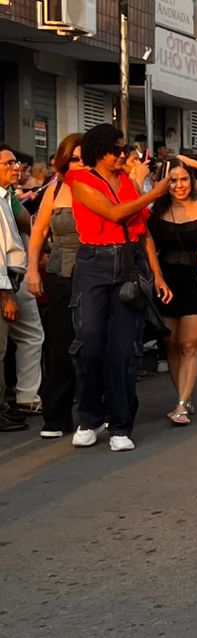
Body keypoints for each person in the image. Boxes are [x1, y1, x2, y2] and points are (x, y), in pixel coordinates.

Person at [63, 124, 170, 451]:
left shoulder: (127, 182)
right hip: (93, 264)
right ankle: (89, 417)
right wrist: (154, 192)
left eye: (125, 149)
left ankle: (122, 423)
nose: (124, 154)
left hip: (128, 262)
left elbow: (142, 232)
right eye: (117, 150)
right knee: (90, 344)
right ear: (100, 151)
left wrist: (158, 275)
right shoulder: (79, 180)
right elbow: (113, 213)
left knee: (124, 350)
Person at [146, 158, 197, 425]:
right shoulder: (156, 214)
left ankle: (181, 405)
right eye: (173, 180)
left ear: (192, 181)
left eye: (184, 179)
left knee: (190, 344)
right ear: (164, 184)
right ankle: (184, 395)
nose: (179, 185)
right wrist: (157, 278)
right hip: (167, 282)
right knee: (171, 344)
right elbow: (148, 246)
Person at [23, 134, 84, 437]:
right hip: (60, 272)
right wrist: (32, 269)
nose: (79, 164)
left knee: (96, 342)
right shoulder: (57, 187)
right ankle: (57, 415)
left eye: (84, 158)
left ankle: (97, 408)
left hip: (97, 271)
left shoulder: (106, 184)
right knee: (60, 343)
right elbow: (39, 231)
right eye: (73, 158)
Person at [0, 143, 44, 431]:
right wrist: (5, 295)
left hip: (15, 278)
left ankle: (25, 398)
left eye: (16, 163)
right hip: (4, 283)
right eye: (8, 164)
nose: (16, 168)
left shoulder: (7, 197)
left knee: (31, 335)